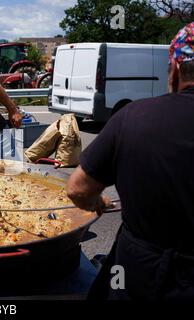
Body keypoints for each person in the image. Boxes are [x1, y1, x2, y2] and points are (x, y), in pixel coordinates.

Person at [66, 22, 194, 300]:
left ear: (173, 68)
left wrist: (97, 203)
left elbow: (78, 189)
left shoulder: (133, 117)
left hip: (144, 273)